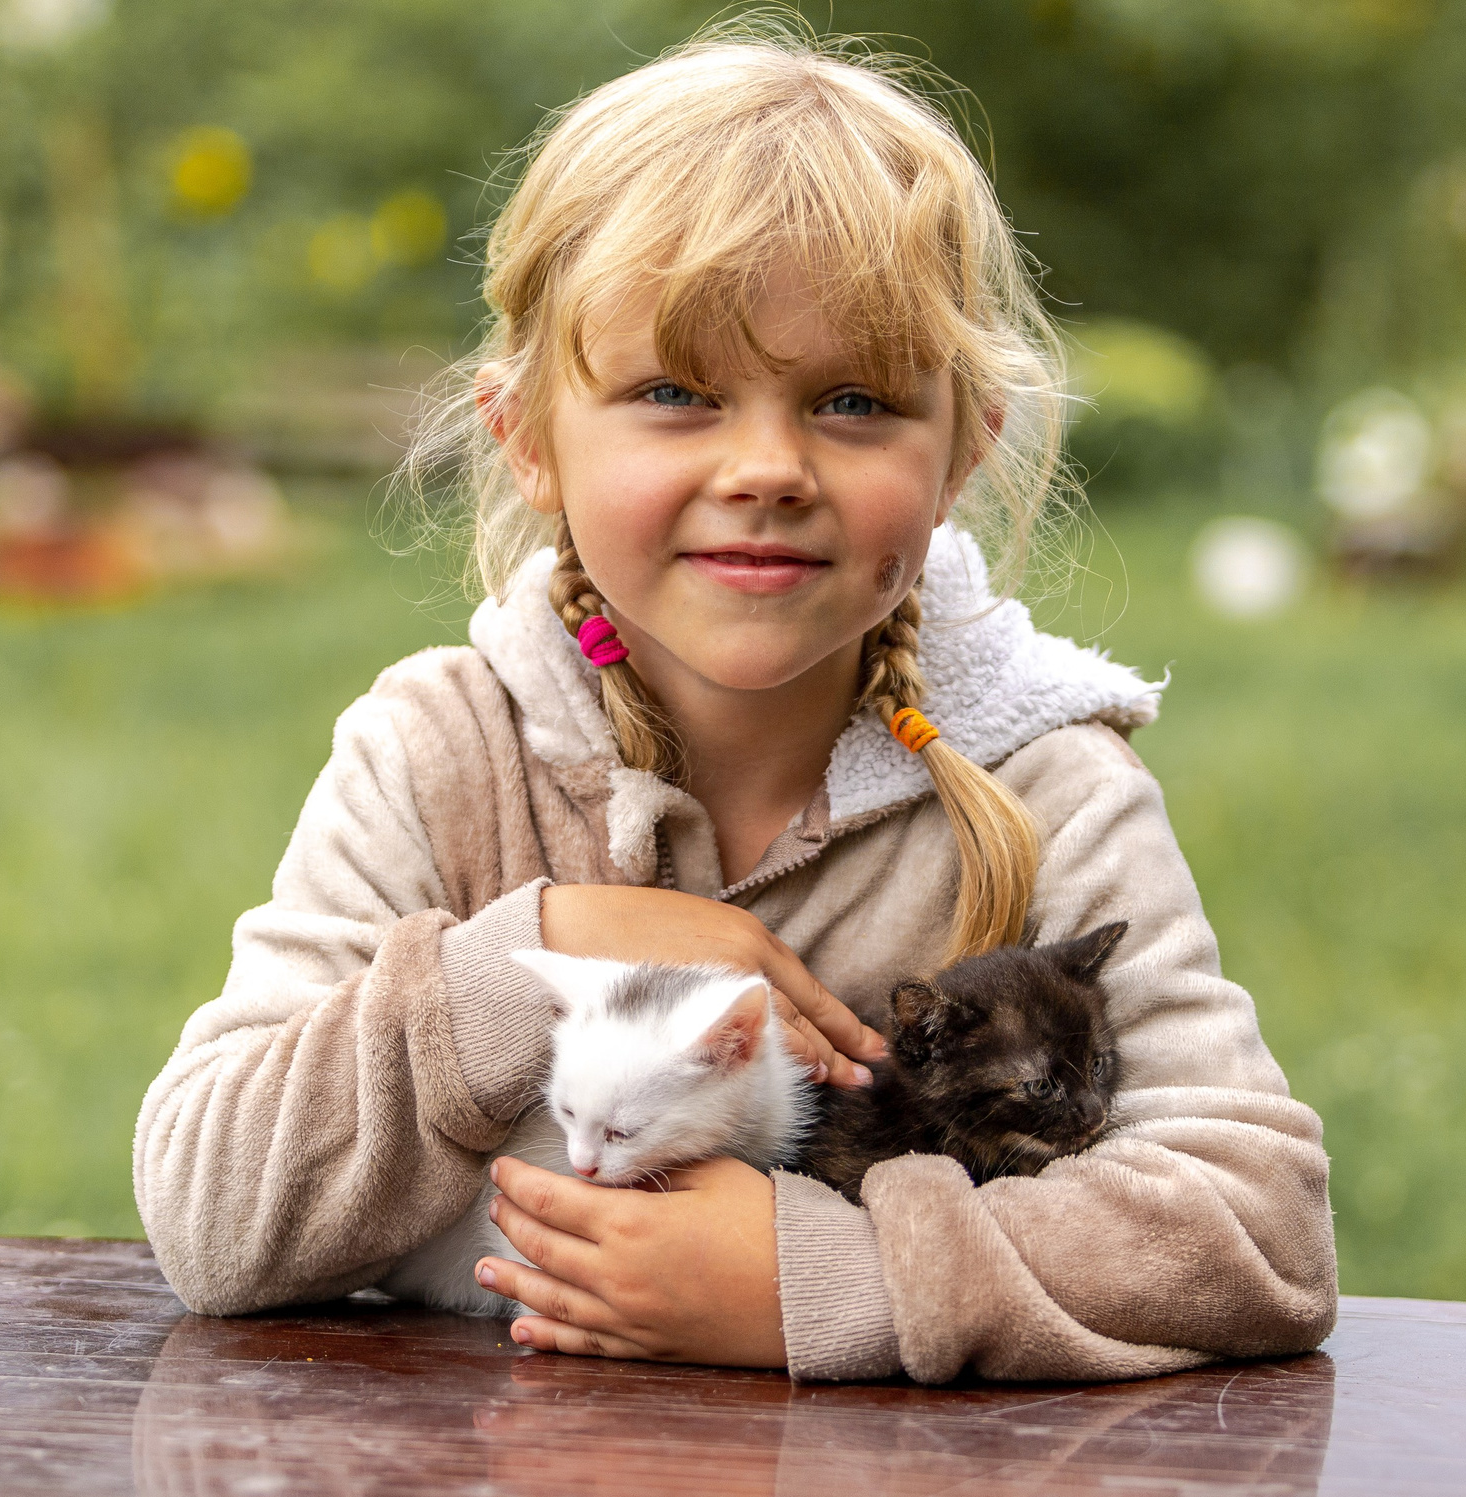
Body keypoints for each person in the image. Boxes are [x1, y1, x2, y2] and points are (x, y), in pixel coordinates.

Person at [133, 24, 1335, 1384]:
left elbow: (1256, 1231)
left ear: (961, 452)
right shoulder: (438, 755)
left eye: (853, 400)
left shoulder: (1045, 788)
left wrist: (815, 1280)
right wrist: (542, 948)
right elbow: (211, 1215)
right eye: (674, 393)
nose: (766, 465)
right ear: (525, 436)